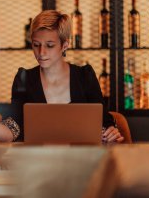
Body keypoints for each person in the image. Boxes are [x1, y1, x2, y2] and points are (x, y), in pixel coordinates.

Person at [11, 10, 123, 143]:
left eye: (50, 45)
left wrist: (111, 132)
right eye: (36, 45)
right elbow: (13, 126)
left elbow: (104, 121)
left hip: (81, 160)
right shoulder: (24, 79)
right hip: (38, 161)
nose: (41, 52)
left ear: (65, 45)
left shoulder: (84, 76)